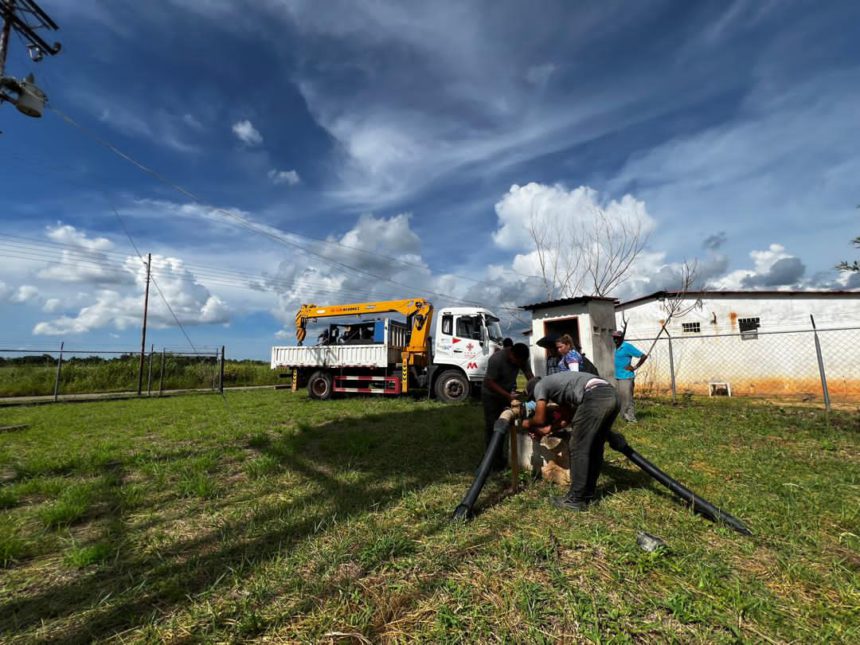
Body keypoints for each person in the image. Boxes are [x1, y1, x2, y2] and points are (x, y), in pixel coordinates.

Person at [523, 371, 620, 511]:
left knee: (578, 447)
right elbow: (567, 418)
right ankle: (587, 494)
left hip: (595, 396)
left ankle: (575, 499)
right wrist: (548, 429)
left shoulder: (540, 385)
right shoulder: (557, 385)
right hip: (612, 394)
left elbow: (540, 418)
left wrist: (527, 423)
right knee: (595, 446)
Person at [481, 342, 533, 470]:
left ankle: (500, 456)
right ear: (512, 354)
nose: (519, 365)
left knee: (504, 424)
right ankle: (491, 461)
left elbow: (529, 375)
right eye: (517, 362)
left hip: (506, 394)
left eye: (521, 363)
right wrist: (508, 396)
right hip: (491, 396)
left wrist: (535, 389)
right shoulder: (497, 359)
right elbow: (489, 382)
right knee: (493, 426)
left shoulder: (521, 359)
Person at [613, 330, 647, 422]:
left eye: (618, 338)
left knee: (628, 398)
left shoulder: (627, 346)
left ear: (622, 338)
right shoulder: (617, 347)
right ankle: (624, 417)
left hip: (626, 377)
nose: (615, 340)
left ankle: (632, 419)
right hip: (618, 377)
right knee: (621, 398)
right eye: (614, 338)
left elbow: (643, 356)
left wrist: (635, 367)